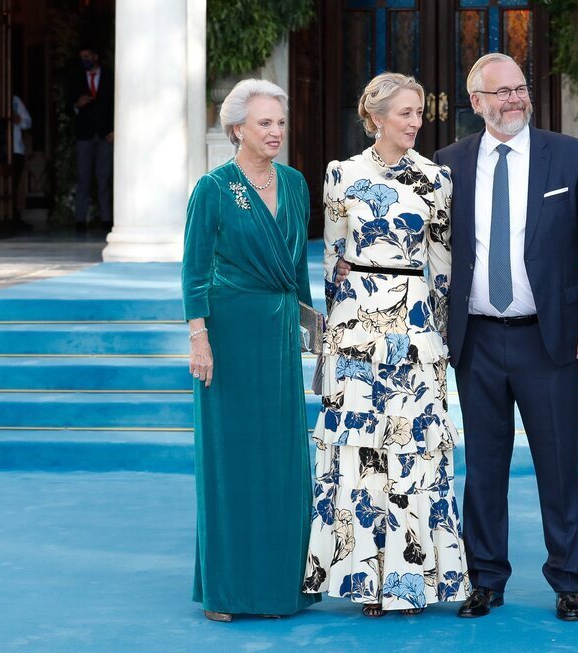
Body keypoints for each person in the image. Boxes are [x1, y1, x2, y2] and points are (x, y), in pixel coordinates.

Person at [435, 53, 578, 621]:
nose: (514, 99)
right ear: (477, 103)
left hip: (553, 339)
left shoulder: (571, 156)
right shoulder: (447, 164)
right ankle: (485, 578)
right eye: (501, 92)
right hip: (478, 341)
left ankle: (568, 580)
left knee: (558, 464)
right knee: (484, 468)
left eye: (520, 89)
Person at [303, 72, 469, 617]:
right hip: (354, 326)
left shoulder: (436, 179)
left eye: (419, 112)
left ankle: (413, 581)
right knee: (360, 450)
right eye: (405, 113)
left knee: (415, 450)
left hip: (413, 324)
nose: (416, 122)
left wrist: (439, 333)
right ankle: (361, 582)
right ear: (375, 117)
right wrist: (332, 330)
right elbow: (331, 258)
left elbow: (441, 264)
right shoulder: (341, 175)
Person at [182, 79, 318, 622]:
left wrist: (313, 330)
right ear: (237, 128)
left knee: (283, 458)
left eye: (280, 122)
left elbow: (297, 269)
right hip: (230, 338)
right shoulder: (213, 189)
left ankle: (284, 585)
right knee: (231, 458)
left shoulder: (295, 182)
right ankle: (229, 590)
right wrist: (199, 337)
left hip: (280, 335)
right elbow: (194, 270)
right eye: (264, 123)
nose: (276, 132)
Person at [68, 46, 114, 234]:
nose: (85, 60)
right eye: (82, 57)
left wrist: (113, 130)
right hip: (84, 135)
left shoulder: (109, 77)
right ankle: (80, 220)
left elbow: (115, 103)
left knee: (104, 178)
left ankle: (106, 219)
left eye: (87, 56)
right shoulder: (77, 78)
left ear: (95, 56)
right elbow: (67, 105)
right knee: (83, 178)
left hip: (105, 135)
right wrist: (77, 105)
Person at [11, 93, 32, 231]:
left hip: (15, 149)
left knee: (13, 186)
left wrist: (17, 119)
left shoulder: (14, 100)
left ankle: (13, 217)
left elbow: (28, 122)